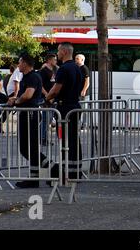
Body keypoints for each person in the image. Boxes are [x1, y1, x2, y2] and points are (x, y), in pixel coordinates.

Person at [8, 53, 49, 188]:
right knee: (29, 148)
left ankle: (55, 170)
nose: (18, 65)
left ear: (25, 63)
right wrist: (15, 99)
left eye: (19, 62)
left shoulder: (33, 76)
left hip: (30, 115)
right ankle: (34, 178)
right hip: (27, 115)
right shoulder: (26, 77)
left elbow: (28, 94)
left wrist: (16, 102)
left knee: (28, 149)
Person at [46, 43, 83, 180]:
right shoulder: (77, 68)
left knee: (65, 141)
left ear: (65, 51)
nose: (57, 53)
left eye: (59, 50)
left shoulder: (63, 69)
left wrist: (47, 98)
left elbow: (56, 89)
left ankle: (67, 172)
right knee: (74, 140)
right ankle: (75, 171)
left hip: (65, 108)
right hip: (74, 106)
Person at [39, 54, 58, 144]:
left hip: (52, 98)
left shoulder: (54, 70)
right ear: (49, 60)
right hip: (46, 99)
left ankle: (43, 137)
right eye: (54, 59)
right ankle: (42, 138)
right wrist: (47, 96)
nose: (56, 61)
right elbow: (40, 86)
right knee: (46, 119)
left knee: (49, 119)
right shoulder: (43, 71)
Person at [75, 54, 90, 129]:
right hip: (77, 92)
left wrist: (84, 90)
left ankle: (84, 125)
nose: (76, 60)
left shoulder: (84, 68)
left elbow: (87, 81)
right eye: (76, 58)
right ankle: (79, 124)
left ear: (82, 60)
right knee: (79, 109)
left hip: (83, 94)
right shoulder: (77, 68)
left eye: (77, 58)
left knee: (84, 109)